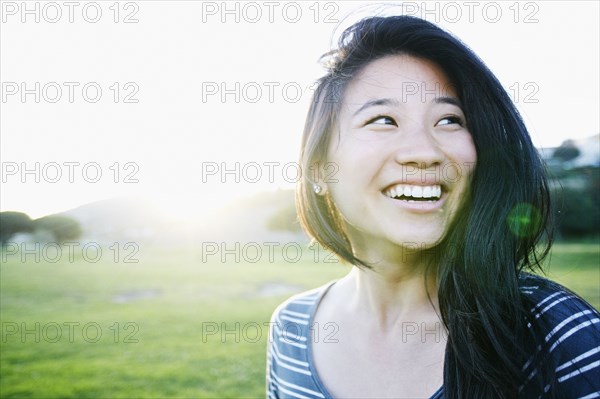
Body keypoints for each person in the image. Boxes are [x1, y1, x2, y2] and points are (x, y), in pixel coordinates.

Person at [266, 15, 600, 399]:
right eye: (383, 119)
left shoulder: (558, 335)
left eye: (449, 120)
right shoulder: (291, 327)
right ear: (318, 169)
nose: (425, 152)